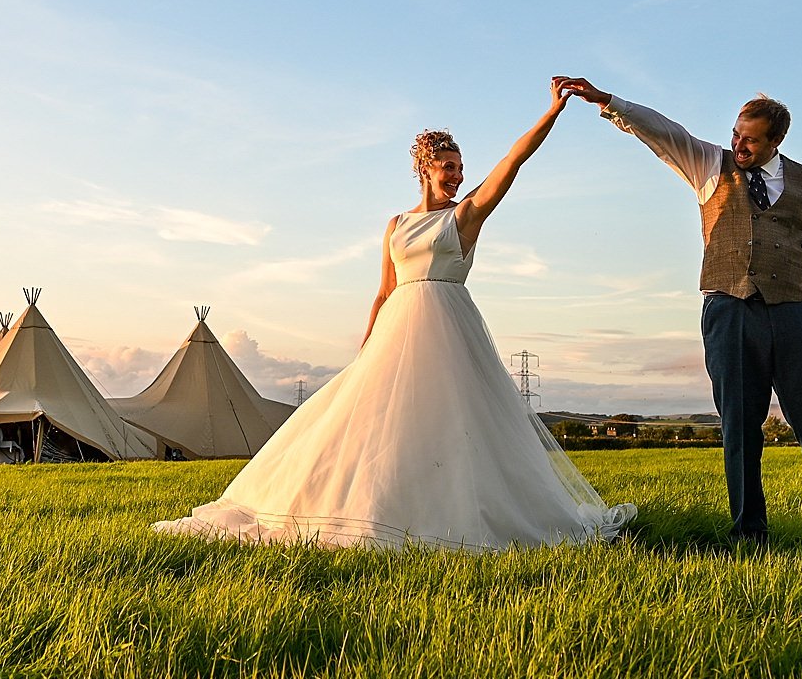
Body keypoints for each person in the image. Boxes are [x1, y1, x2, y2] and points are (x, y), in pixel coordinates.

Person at [153, 83, 636, 551]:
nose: (457, 176)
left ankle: (461, 516)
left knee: (453, 424)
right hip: (396, 335)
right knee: (376, 429)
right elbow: (384, 291)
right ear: (426, 168)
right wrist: (367, 348)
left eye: (462, 168)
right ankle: (372, 510)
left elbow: (512, 162)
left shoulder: (465, 216)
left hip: (450, 331)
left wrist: (550, 113)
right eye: (448, 167)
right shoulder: (396, 225)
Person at [553, 79, 802, 543]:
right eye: (736, 134)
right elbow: (662, 131)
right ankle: (749, 532)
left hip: (794, 312)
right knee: (740, 426)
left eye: (751, 139)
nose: (738, 145)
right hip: (729, 310)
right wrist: (607, 101)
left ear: (776, 141)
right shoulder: (707, 164)